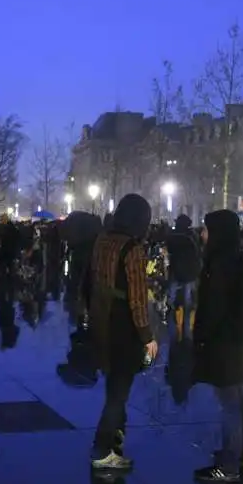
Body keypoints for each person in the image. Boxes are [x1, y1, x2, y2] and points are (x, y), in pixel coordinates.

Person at [87, 193, 157, 470]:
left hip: (102, 318)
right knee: (119, 391)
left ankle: (116, 435)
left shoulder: (102, 240)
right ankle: (102, 448)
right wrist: (147, 336)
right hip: (123, 325)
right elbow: (138, 299)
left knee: (113, 383)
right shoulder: (133, 249)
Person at [193, 209, 243, 483]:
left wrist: (202, 339)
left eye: (206, 229)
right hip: (238, 340)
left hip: (224, 342)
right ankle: (241, 453)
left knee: (229, 402)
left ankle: (229, 465)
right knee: (239, 398)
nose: (203, 235)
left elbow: (213, 308)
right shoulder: (238, 259)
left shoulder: (219, 265)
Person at [165, 214, 201, 341]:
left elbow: (169, 249)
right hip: (189, 271)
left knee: (172, 295)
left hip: (176, 270)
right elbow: (197, 252)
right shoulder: (192, 236)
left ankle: (170, 314)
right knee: (187, 298)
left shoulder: (173, 236)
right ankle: (186, 332)